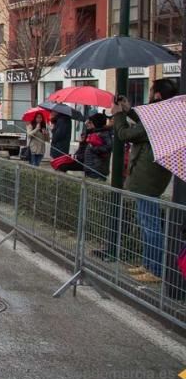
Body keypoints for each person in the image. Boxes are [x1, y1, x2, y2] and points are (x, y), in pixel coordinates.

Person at [111, 79, 179, 283]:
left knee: (150, 225)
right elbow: (144, 122)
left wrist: (119, 114)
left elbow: (126, 134)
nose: (149, 94)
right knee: (147, 223)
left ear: (157, 95)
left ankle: (155, 269)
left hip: (147, 179)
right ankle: (149, 264)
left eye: (151, 91)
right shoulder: (166, 113)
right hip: (151, 177)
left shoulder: (159, 117)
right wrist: (129, 109)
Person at [73, 112, 112, 180]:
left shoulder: (103, 134)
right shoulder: (95, 132)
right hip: (90, 168)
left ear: (96, 123)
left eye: (91, 122)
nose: (89, 124)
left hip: (96, 170)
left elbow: (108, 148)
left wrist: (93, 148)